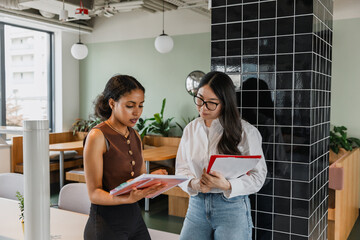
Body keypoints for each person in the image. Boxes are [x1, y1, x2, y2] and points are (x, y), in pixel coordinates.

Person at [176, 71, 268, 240]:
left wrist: (228, 185)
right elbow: (181, 169)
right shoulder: (191, 129)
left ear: (225, 103)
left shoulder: (246, 132)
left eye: (211, 103)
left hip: (231, 208)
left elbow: (258, 176)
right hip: (197, 206)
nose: (202, 107)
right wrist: (195, 183)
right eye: (199, 99)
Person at [83, 75, 166, 240]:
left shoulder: (135, 134)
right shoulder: (97, 136)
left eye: (141, 105)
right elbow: (94, 194)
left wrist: (154, 181)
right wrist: (125, 197)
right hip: (106, 224)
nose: (137, 112)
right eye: (130, 106)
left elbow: (139, 179)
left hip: (135, 219)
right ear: (112, 103)